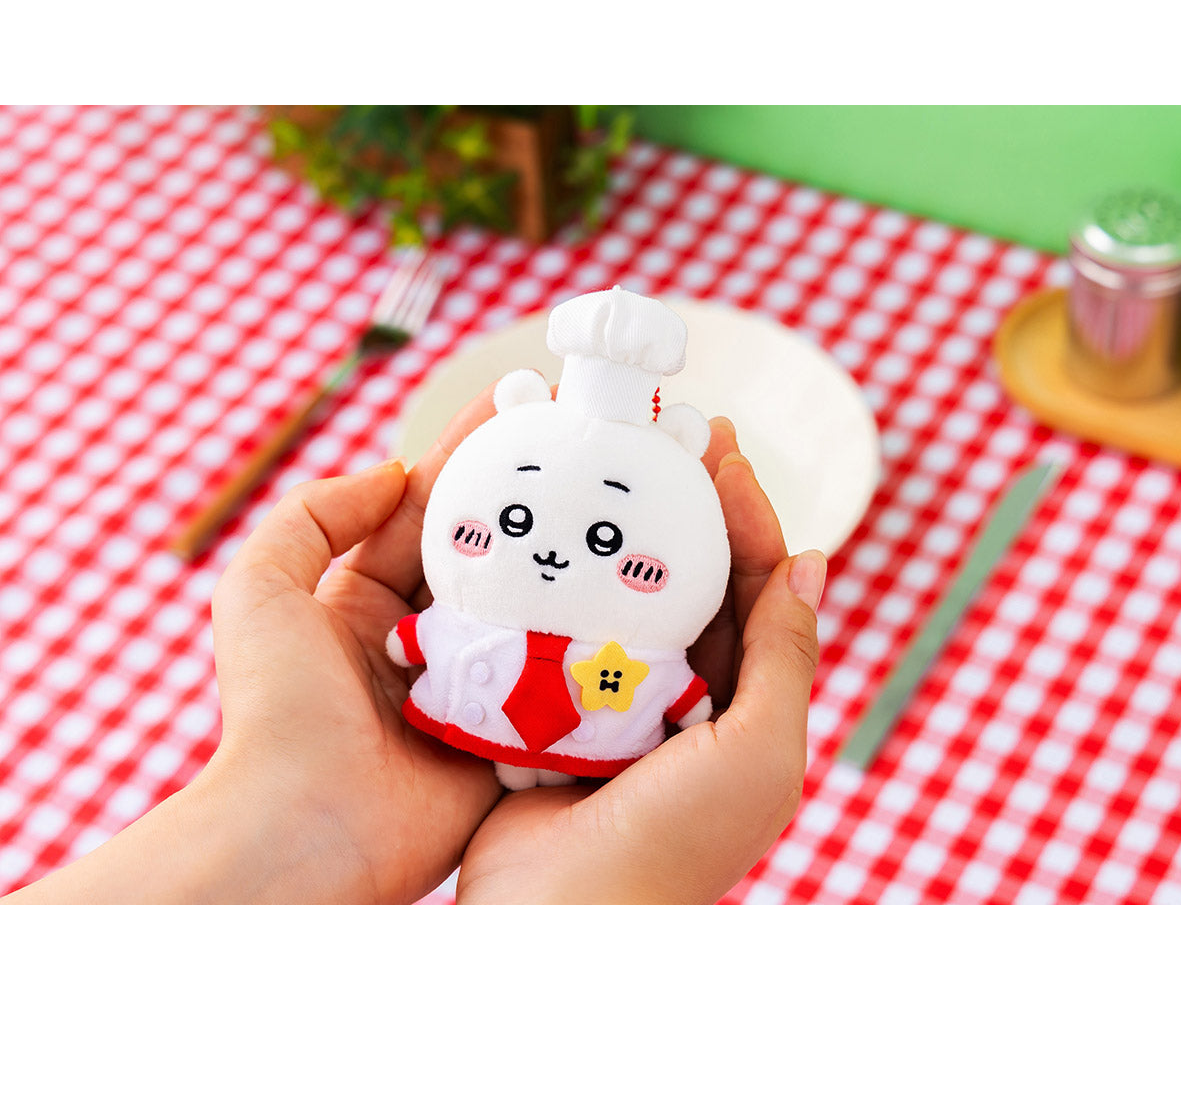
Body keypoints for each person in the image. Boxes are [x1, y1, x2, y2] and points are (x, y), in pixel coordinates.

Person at [1, 385, 824, 905]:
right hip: (460, 720)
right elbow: (413, 638)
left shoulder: (649, 641)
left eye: (606, 539)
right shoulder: (458, 619)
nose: (549, 553)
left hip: (606, 725)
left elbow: (680, 692)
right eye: (515, 519)